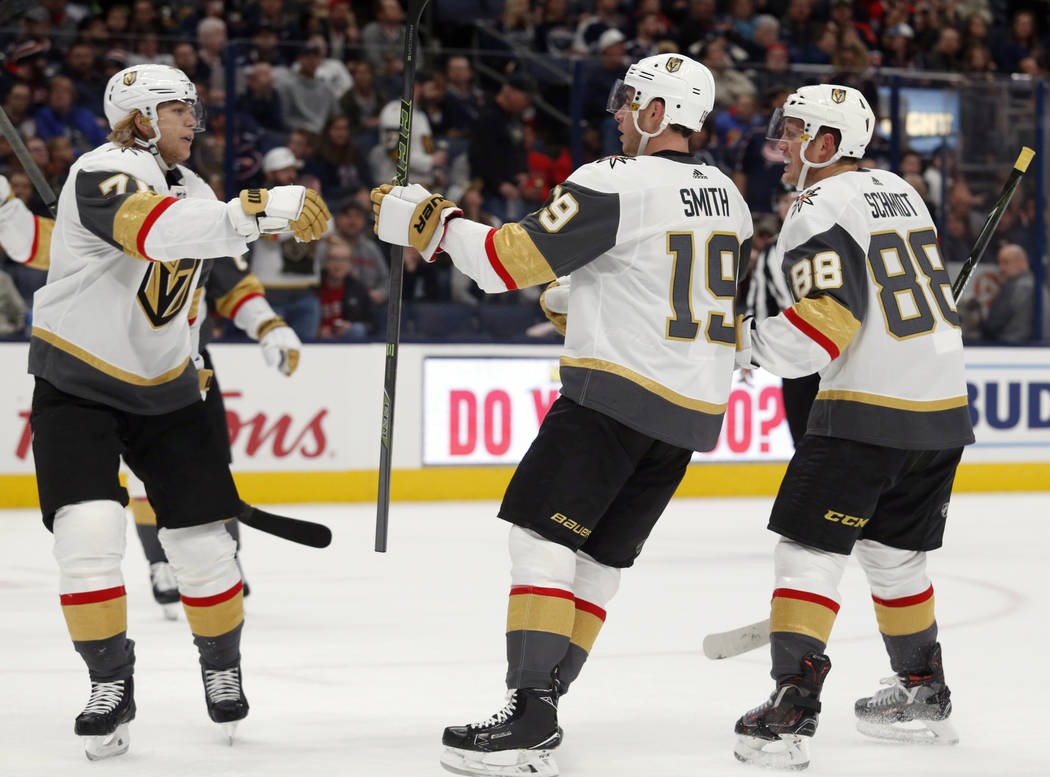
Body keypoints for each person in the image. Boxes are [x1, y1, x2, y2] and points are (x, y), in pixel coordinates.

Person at [372, 53, 752, 777]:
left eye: (628, 101)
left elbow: (504, 259)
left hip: (612, 399)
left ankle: (529, 714)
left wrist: (426, 219)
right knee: (599, 562)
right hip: (689, 411)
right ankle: (545, 697)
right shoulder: (726, 194)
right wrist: (576, 302)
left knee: (541, 543)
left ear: (653, 112)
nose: (615, 113)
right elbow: (650, 278)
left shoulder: (615, 179)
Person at [25, 64, 329, 760]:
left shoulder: (194, 187)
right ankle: (109, 682)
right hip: (78, 382)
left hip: (167, 387)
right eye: (176, 109)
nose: (193, 120)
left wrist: (264, 265)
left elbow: (218, 252)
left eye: (193, 107)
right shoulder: (99, 172)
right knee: (89, 529)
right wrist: (255, 207)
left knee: (205, 546)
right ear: (136, 118)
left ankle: (220, 662)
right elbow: (152, 231)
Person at [733, 84, 974, 769]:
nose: (782, 143)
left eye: (797, 131)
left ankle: (791, 707)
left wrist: (742, 341)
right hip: (940, 407)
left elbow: (821, 330)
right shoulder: (901, 189)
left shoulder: (816, 204)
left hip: (868, 408)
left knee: (806, 549)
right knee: (897, 557)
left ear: (828, 145)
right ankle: (923, 690)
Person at [979, 243, 1049, 343]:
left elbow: (993, 323)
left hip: (1012, 346)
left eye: (1006, 262)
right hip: (1036, 348)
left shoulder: (1015, 286)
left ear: (1022, 263)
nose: (1001, 268)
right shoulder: (1039, 286)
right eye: (999, 263)